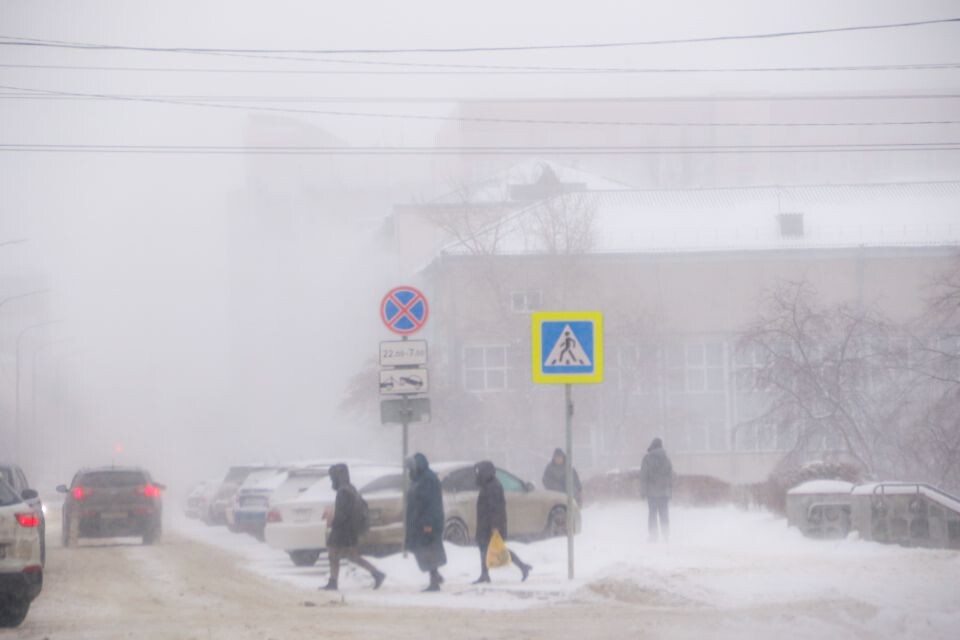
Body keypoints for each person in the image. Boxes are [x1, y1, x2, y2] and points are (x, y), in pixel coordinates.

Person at [322, 463, 385, 591]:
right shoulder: (350, 488)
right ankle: (376, 574)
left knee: (333, 553)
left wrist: (333, 522)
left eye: (332, 477)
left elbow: (343, 513)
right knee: (351, 555)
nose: (331, 480)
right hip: (350, 529)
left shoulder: (343, 491)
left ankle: (333, 582)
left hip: (343, 529)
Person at [473, 460, 532, 584]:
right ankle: (485, 574)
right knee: (486, 548)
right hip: (486, 523)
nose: (477, 474)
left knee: (497, 550)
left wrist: (495, 526)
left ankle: (522, 567)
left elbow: (496, 508)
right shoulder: (488, 485)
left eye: (479, 471)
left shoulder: (493, 486)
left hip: (491, 525)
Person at [405, 453, 447, 592]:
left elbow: (431, 503)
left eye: (411, 467)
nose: (410, 470)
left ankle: (434, 580)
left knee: (429, 550)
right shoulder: (419, 478)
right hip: (420, 521)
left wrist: (428, 523)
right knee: (424, 550)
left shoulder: (428, 479)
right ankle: (435, 576)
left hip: (428, 522)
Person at [639, 438, 673, 542]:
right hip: (664, 492)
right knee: (664, 514)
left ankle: (653, 536)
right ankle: (666, 535)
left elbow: (643, 476)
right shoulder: (666, 459)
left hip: (652, 492)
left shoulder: (647, 459)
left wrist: (643, 491)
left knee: (652, 514)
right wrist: (669, 491)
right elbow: (670, 477)